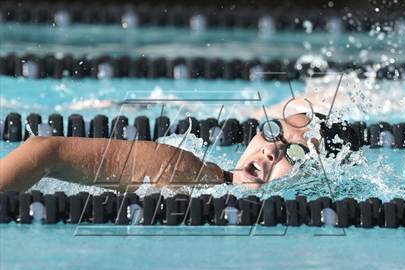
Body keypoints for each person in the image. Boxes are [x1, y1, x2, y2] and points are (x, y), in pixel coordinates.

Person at [0, 97, 358, 192]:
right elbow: (45, 149)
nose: (272, 149)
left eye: (295, 152)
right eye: (271, 131)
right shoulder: (183, 168)